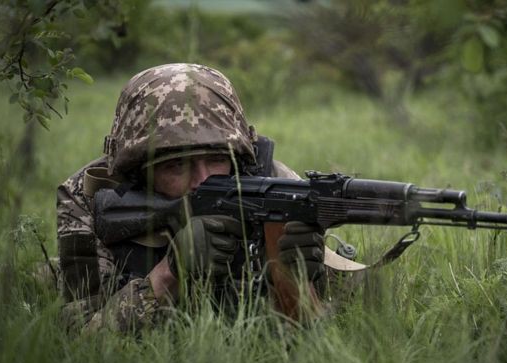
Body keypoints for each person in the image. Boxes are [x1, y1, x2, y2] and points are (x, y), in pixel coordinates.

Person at [57, 63, 326, 332]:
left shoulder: (277, 187)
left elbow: (318, 332)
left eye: (218, 159)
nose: (202, 180)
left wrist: (293, 276)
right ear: (139, 171)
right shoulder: (90, 196)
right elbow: (82, 339)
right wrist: (170, 272)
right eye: (177, 165)